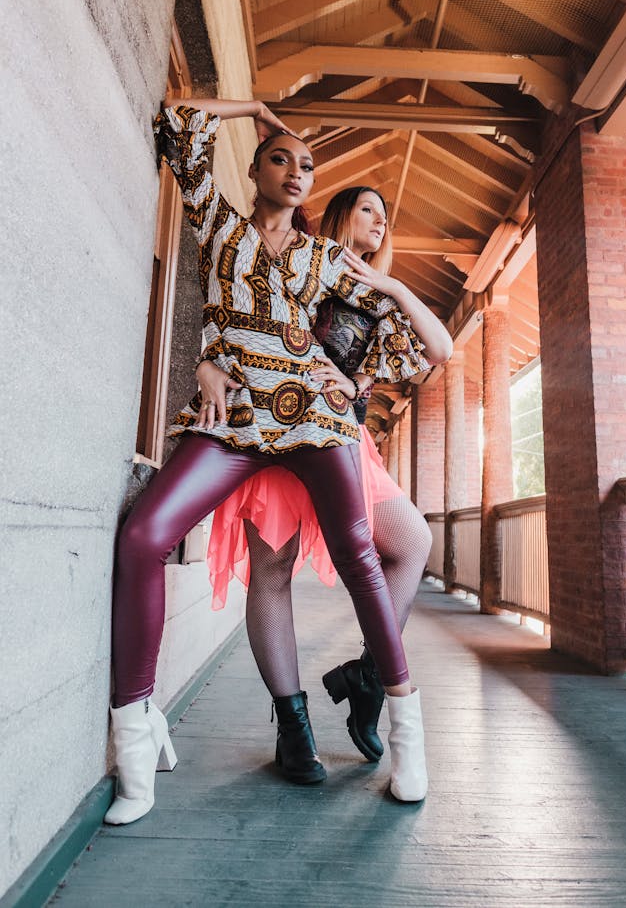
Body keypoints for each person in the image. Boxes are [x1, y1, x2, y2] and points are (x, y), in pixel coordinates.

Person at [106, 100, 432, 826]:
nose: (295, 170)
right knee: (142, 537)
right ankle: (135, 735)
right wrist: (252, 107)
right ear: (253, 169)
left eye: (308, 164)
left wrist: (353, 374)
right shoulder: (218, 224)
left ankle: (410, 733)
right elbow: (180, 119)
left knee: (358, 552)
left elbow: (413, 344)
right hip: (232, 422)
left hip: (313, 423)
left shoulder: (324, 259)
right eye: (280, 157)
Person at [198, 185, 452, 769]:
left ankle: (368, 674)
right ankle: (293, 725)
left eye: (387, 215)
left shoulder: (379, 300)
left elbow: (438, 348)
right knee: (273, 570)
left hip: (343, 441)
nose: (381, 220)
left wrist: (391, 286)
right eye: (368, 209)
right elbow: (240, 312)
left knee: (412, 540)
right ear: (340, 214)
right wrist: (209, 358)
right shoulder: (298, 256)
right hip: (276, 429)